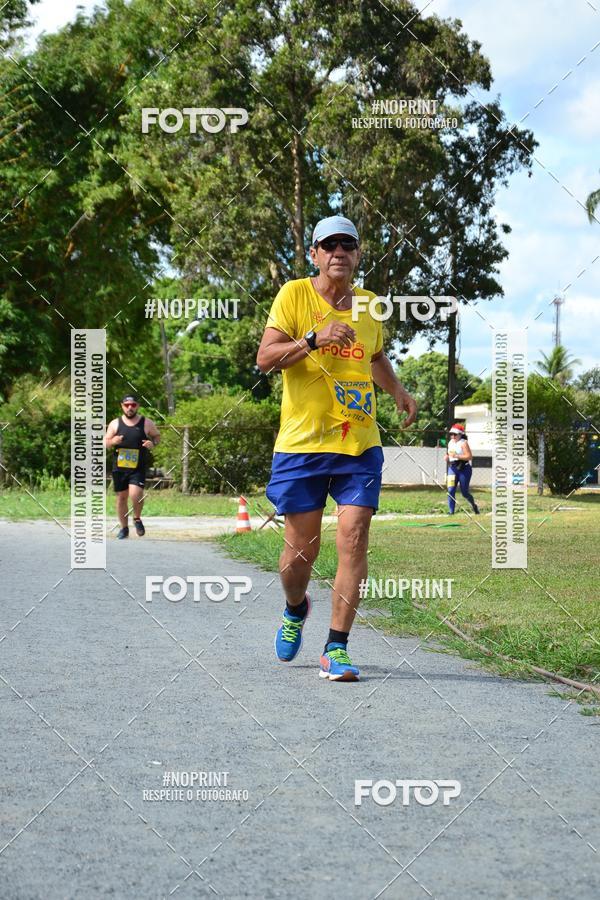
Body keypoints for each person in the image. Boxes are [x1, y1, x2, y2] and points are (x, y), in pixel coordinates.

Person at [256, 215, 417, 682]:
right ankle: (294, 607)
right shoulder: (294, 295)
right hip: (302, 445)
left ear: (358, 254)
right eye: (329, 245)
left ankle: (337, 647)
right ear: (315, 254)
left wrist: (398, 392)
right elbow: (266, 358)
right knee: (298, 557)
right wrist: (314, 338)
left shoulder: (369, 306)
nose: (339, 253)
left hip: (359, 445)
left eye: (348, 245)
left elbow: (375, 356)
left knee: (354, 536)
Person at [104, 395, 160, 539]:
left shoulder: (146, 423)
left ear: (138, 406)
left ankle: (137, 518)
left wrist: (152, 444)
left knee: (136, 495)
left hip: (138, 467)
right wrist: (113, 441)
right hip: (120, 467)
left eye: (133, 405)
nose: (130, 408)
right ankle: (124, 528)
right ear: (122, 406)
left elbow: (157, 436)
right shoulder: (115, 423)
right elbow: (105, 442)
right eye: (127, 405)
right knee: (121, 498)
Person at [444, 423, 480, 515]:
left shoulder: (463, 443)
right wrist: (447, 457)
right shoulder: (450, 442)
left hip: (464, 469)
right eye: (451, 434)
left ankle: (474, 505)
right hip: (452, 468)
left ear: (460, 434)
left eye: (454, 434)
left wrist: (456, 456)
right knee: (450, 490)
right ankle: (451, 512)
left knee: (464, 493)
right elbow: (450, 454)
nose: (452, 436)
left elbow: (469, 456)